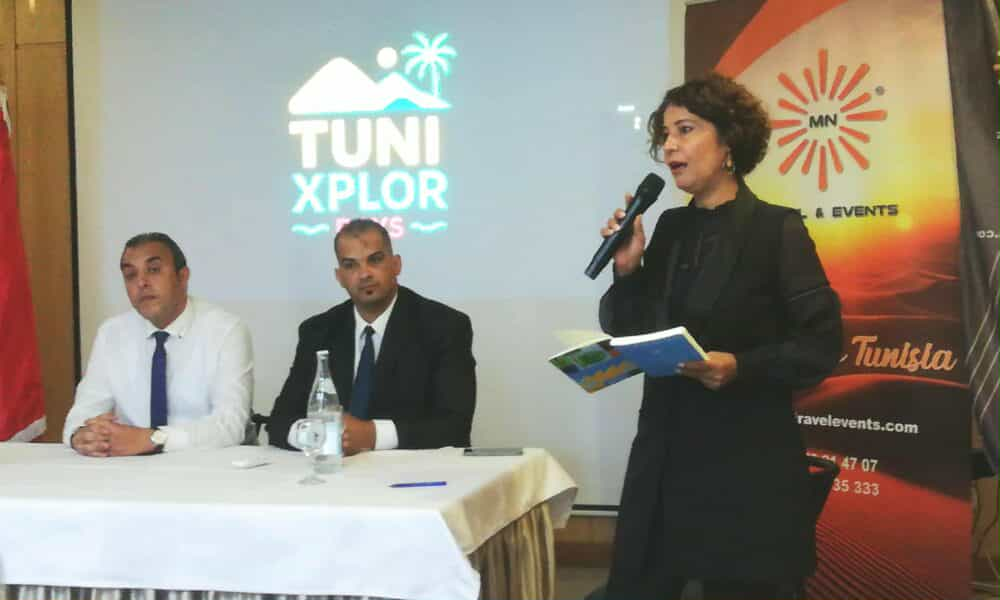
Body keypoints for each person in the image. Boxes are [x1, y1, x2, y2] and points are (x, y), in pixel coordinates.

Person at [597, 73, 843, 600]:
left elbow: (821, 345)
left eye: (685, 130)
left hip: (744, 462)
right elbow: (628, 328)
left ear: (729, 140)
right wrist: (628, 269)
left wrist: (741, 366)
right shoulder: (668, 229)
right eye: (664, 134)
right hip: (664, 457)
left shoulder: (776, 230)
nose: (669, 146)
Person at [268, 219, 476, 454]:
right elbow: (278, 422)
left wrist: (373, 435)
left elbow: (455, 427)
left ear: (396, 265)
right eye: (350, 265)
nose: (364, 274)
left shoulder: (445, 326)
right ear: (339, 276)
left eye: (375, 260)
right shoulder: (317, 331)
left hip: (411, 471)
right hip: (336, 469)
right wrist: (321, 435)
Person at [64, 233, 253, 456]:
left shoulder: (226, 330)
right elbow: (82, 414)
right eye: (130, 275)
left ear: (183, 276)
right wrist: (82, 435)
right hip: (131, 467)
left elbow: (230, 425)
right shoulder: (111, 333)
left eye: (153, 270)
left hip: (206, 465)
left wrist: (154, 439)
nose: (141, 283)